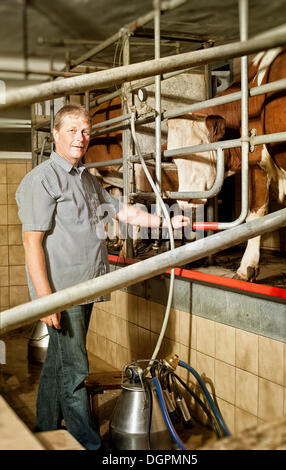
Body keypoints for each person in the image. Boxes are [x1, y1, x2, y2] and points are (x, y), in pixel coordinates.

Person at [15, 104, 189, 450]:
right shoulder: (42, 180)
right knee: (76, 371)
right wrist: (46, 298)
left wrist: (165, 220)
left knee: (59, 361)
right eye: (72, 131)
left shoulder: (85, 178)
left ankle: (45, 427)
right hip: (64, 292)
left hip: (87, 287)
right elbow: (31, 243)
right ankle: (90, 445)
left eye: (85, 131)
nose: (80, 138)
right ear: (55, 135)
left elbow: (120, 210)